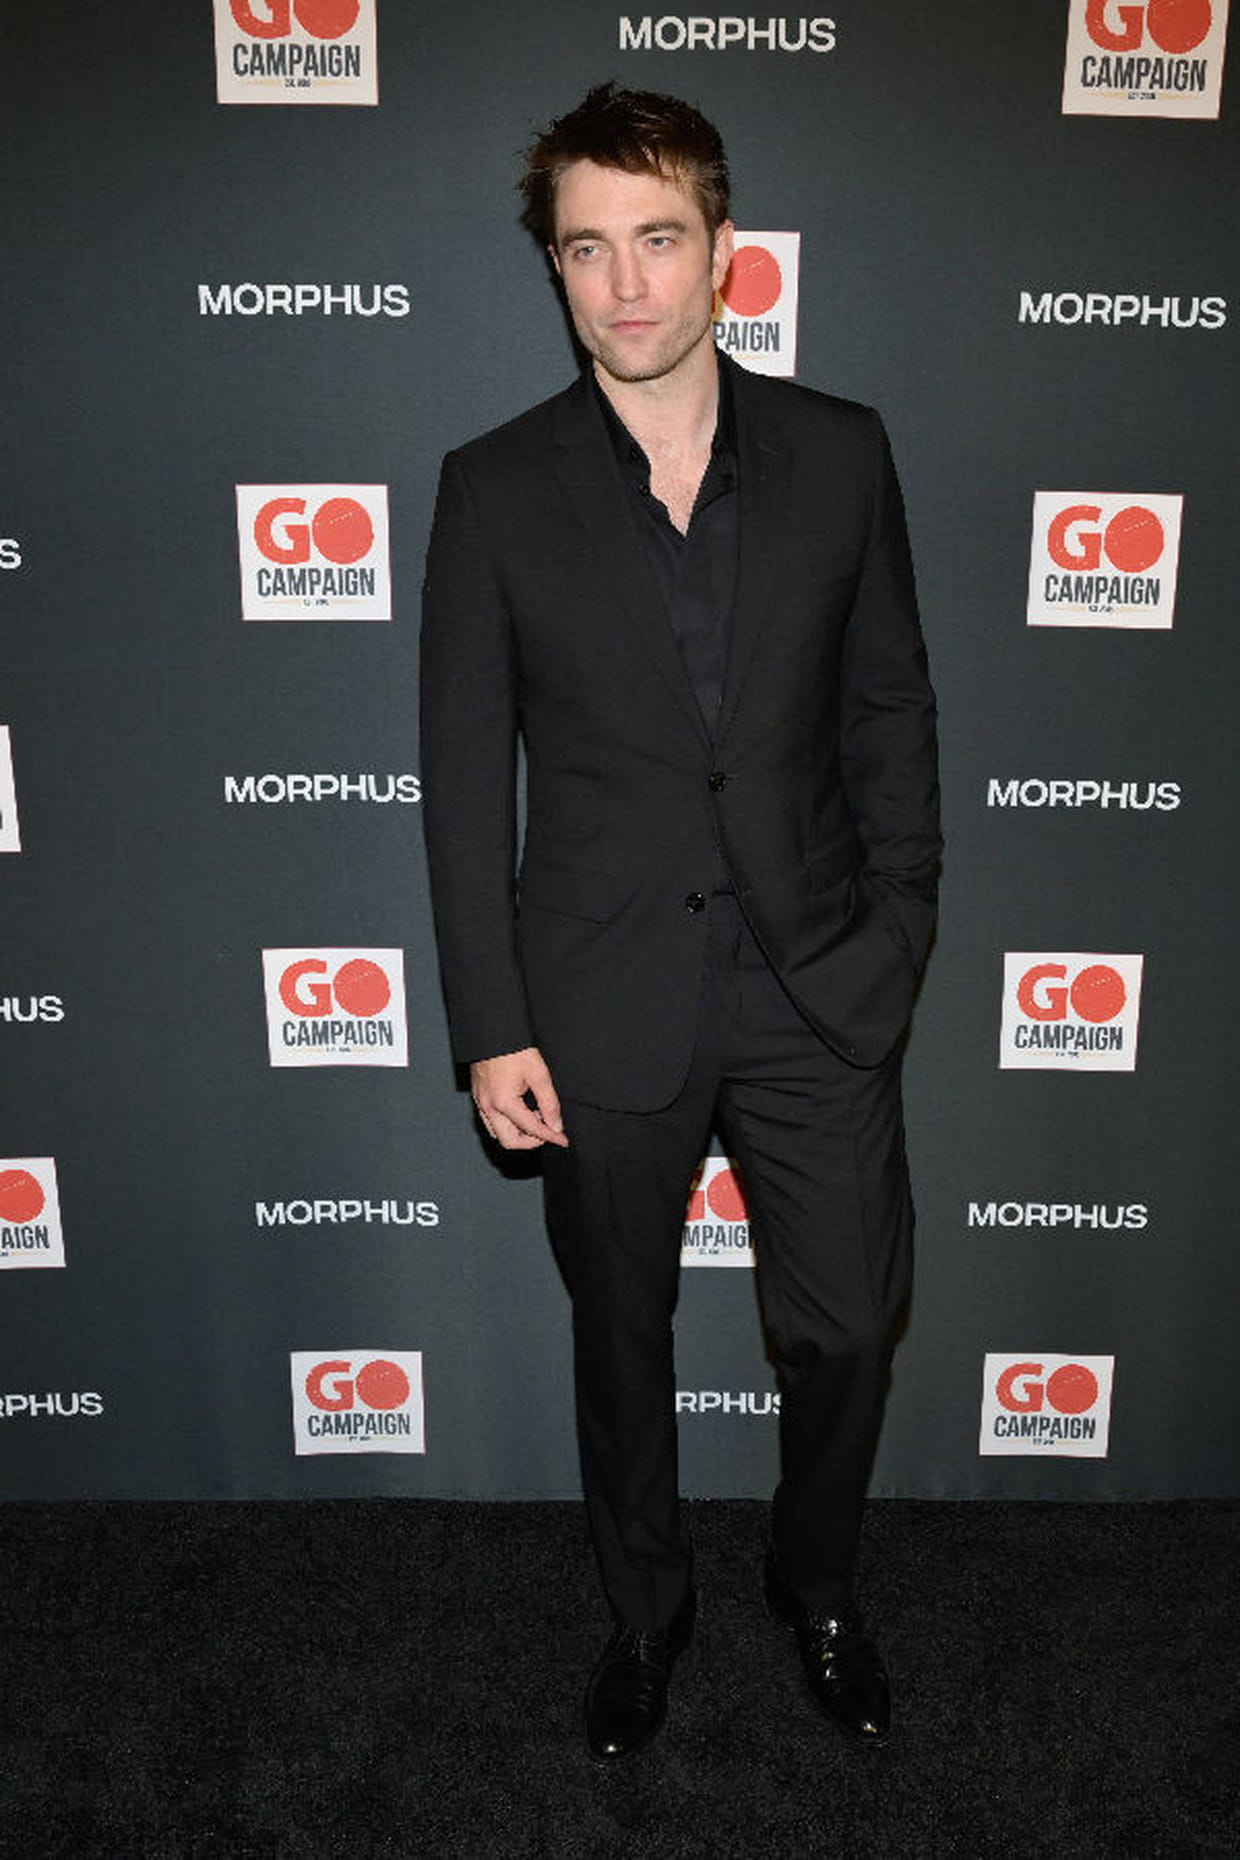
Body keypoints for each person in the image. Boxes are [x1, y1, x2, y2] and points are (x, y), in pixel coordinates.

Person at [420, 82, 940, 1759]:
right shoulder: (494, 488)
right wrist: (492, 1023)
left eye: (658, 239)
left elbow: (890, 717)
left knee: (846, 1326)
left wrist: (897, 932)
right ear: (556, 270)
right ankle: (647, 1612)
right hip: (597, 994)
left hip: (817, 980)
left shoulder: (844, 454)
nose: (627, 283)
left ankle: (817, 1579)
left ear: (725, 250)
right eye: (589, 249)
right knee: (620, 1336)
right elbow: (461, 781)